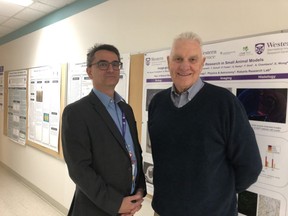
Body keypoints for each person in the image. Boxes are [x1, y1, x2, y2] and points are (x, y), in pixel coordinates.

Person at [148, 32, 262, 216]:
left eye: (192, 59)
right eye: (178, 58)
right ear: (168, 61)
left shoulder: (225, 103)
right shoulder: (157, 103)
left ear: (202, 63)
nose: (185, 65)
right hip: (164, 210)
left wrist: (217, 195)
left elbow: (250, 166)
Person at [62, 44, 146, 216]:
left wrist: (139, 191)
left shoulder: (126, 109)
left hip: (127, 206)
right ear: (89, 71)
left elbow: (134, 153)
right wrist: (116, 204)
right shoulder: (76, 112)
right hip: (94, 209)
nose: (111, 69)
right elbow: (79, 169)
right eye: (103, 64)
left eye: (115, 64)